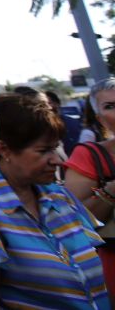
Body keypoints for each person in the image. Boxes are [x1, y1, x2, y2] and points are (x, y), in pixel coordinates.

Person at [0, 93, 108, 308]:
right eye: (44, 151)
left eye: (56, 148)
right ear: (4, 150)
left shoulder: (59, 195)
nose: (57, 160)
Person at [62, 77, 115, 295]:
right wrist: (112, 190)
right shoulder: (90, 155)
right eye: (110, 106)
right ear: (100, 119)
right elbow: (75, 220)